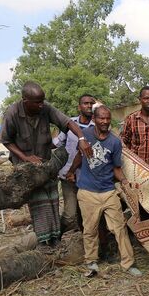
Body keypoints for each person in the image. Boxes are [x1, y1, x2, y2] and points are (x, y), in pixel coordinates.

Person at [0, 81, 93, 246]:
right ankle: (43, 242)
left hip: (47, 164)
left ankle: (56, 239)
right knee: (39, 205)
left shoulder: (46, 108)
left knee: (53, 201)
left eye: (43, 101)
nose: (42, 105)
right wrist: (26, 157)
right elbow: (5, 141)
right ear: (26, 101)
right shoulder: (12, 113)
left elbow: (68, 122)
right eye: (38, 102)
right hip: (26, 169)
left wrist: (82, 138)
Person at [66, 106, 141, 276]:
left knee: (120, 228)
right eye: (101, 118)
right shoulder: (85, 135)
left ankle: (128, 264)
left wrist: (123, 181)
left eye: (108, 119)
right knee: (90, 229)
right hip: (87, 192)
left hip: (108, 192)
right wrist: (71, 171)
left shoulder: (114, 142)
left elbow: (116, 168)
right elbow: (80, 155)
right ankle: (91, 262)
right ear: (94, 118)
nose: (105, 122)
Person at [55, 93, 95, 232]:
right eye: (86, 103)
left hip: (87, 178)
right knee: (70, 215)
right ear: (79, 107)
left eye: (91, 103)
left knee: (85, 213)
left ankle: (85, 240)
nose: (89, 106)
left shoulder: (98, 126)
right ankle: (56, 234)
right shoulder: (69, 124)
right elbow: (57, 143)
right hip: (68, 177)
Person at [120, 86, 149, 170]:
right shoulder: (131, 119)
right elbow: (123, 143)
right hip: (134, 169)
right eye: (146, 98)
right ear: (140, 99)